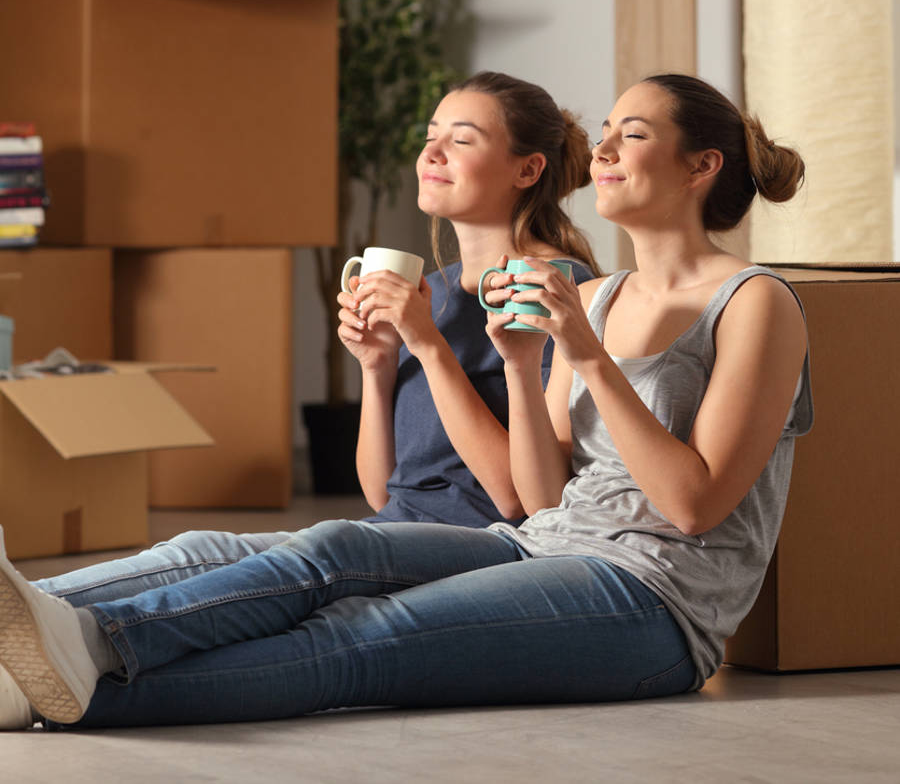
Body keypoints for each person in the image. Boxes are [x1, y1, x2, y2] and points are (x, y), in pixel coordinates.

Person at [0, 72, 812, 730]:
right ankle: (64, 651)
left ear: (701, 166)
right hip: (543, 545)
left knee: (361, 640)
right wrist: (518, 362)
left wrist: (586, 360)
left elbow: (696, 505)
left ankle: (77, 675)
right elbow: (539, 499)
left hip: (655, 601)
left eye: (629, 135)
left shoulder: (753, 302)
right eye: (602, 131)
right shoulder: (595, 297)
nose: (599, 149)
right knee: (330, 553)